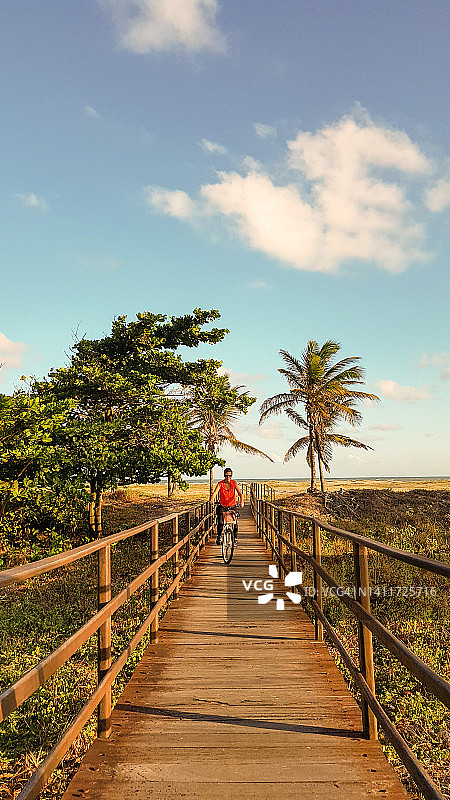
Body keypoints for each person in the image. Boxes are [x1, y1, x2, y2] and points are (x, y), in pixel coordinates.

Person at [211, 468, 244, 545]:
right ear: (224, 476)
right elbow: (215, 493)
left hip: (232, 505)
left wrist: (241, 501)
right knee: (220, 522)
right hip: (222, 505)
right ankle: (219, 536)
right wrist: (212, 499)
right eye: (226, 476)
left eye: (229, 476)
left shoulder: (234, 483)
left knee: (235, 523)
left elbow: (240, 493)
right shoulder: (220, 484)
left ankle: (235, 538)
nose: (228, 477)